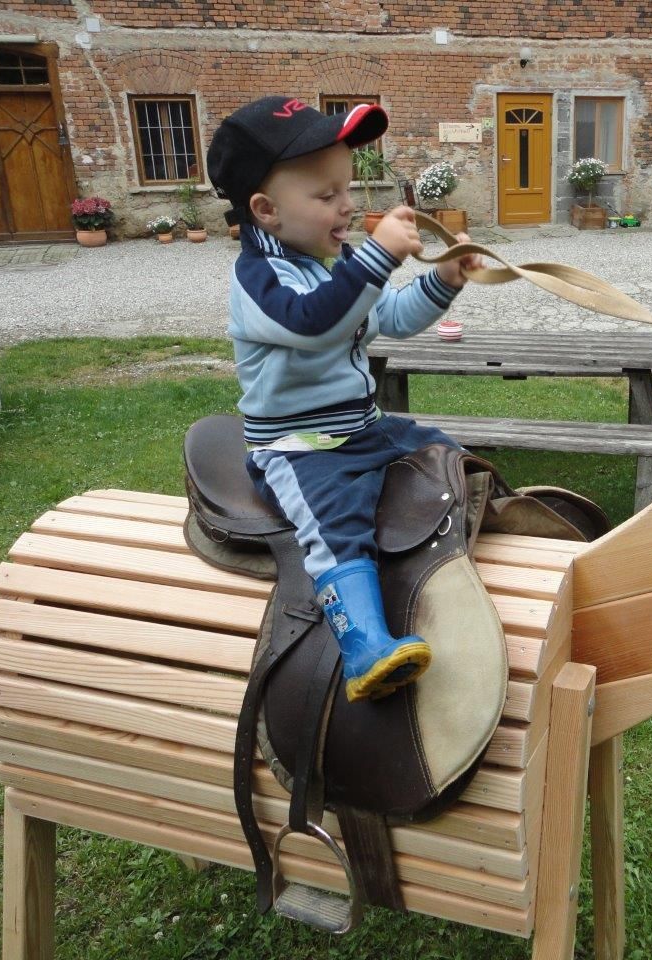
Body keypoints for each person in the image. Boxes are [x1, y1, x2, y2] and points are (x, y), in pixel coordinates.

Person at [206, 97, 482, 702]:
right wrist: (380, 256)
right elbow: (315, 325)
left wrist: (443, 280)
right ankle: (365, 647)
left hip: (361, 425)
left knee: (439, 451)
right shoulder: (261, 280)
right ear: (266, 210)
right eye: (327, 194)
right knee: (334, 523)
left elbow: (388, 317)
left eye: (348, 188)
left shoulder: (331, 264)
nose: (349, 205)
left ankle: (476, 543)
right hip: (299, 446)